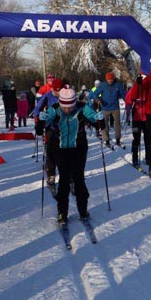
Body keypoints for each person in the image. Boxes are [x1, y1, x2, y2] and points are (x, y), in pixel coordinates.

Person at [38, 88, 104, 222]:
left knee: (79, 178)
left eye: (70, 107)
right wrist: (41, 123)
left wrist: (99, 120)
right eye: (64, 107)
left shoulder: (82, 108)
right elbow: (46, 121)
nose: (67, 110)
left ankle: (83, 209)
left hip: (78, 147)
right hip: (60, 148)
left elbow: (95, 121)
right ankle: (62, 211)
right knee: (64, 179)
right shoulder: (54, 109)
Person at [34, 78, 64, 185]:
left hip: (65, 127)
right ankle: (51, 174)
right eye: (55, 90)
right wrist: (38, 121)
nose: (57, 92)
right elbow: (37, 108)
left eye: (59, 90)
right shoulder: (47, 96)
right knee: (50, 151)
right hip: (50, 127)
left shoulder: (67, 94)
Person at [93, 72, 125, 146]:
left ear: (113, 79)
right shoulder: (102, 85)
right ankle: (106, 139)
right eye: (108, 79)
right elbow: (95, 94)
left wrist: (128, 102)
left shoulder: (118, 85)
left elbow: (124, 95)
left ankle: (118, 139)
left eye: (111, 79)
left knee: (117, 124)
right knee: (104, 124)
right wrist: (97, 100)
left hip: (115, 107)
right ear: (106, 79)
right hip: (105, 108)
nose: (110, 81)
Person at [124, 75, 147, 167]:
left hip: (147, 118)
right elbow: (127, 101)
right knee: (136, 139)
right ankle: (135, 157)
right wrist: (128, 114)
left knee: (148, 139)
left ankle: (149, 157)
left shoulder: (149, 89)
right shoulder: (134, 89)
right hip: (136, 119)